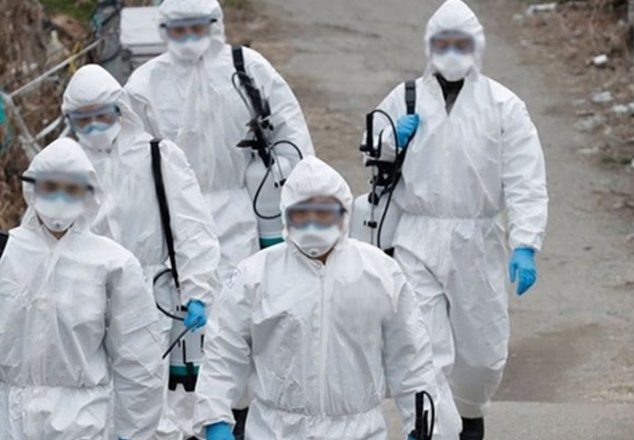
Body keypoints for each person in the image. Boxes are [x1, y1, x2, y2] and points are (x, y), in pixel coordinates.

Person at [367, 1, 548, 438]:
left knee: (482, 353)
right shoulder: (406, 96)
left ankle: (469, 413)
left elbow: (525, 178)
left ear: (475, 46)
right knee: (422, 346)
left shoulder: (503, 105)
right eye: (443, 43)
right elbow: (372, 150)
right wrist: (391, 140)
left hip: (477, 236)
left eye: (460, 43)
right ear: (430, 46)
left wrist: (525, 243)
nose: (451, 52)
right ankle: (432, 428)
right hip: (417, 233)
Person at [194, 157, 461, 440]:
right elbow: (224, 348)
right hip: (275, 431)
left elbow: (411, 355)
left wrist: (423, 426)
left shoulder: (380, 273)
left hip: (360, 432)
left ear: (343, 213)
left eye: (324, 214)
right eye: (302, 215)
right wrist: (215, 417)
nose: (312, 225)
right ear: (285, 216)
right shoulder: (256, 275)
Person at [0, 139, 164, 440]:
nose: (60, 197)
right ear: (32, 188)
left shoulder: (112, 264)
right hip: (4, 421)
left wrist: (133, 432)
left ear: (88, 193)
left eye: (71, 189)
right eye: (50, 186)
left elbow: (138, 356)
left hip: (82, 422)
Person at [61, 64, 221, 439]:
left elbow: (192, 229)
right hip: (84, 295)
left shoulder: (157, 157)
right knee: (92, 394)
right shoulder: (65, 166)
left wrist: (197, 292)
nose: (95, 126)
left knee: (149, 394)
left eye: (103, 116)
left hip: (149, 296)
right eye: (84, 119)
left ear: (120, 110)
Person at [125, 0, 315, 278]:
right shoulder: (146, 82)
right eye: (179, 30)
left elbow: (290, 132)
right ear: (165, 30)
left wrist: (308, 195)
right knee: (187, 285)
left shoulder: (246, 67)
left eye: (197, 28)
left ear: (214, 25)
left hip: (243, 205)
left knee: (244, 285)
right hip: (175, 211)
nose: (189, 37)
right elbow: (129, 155)